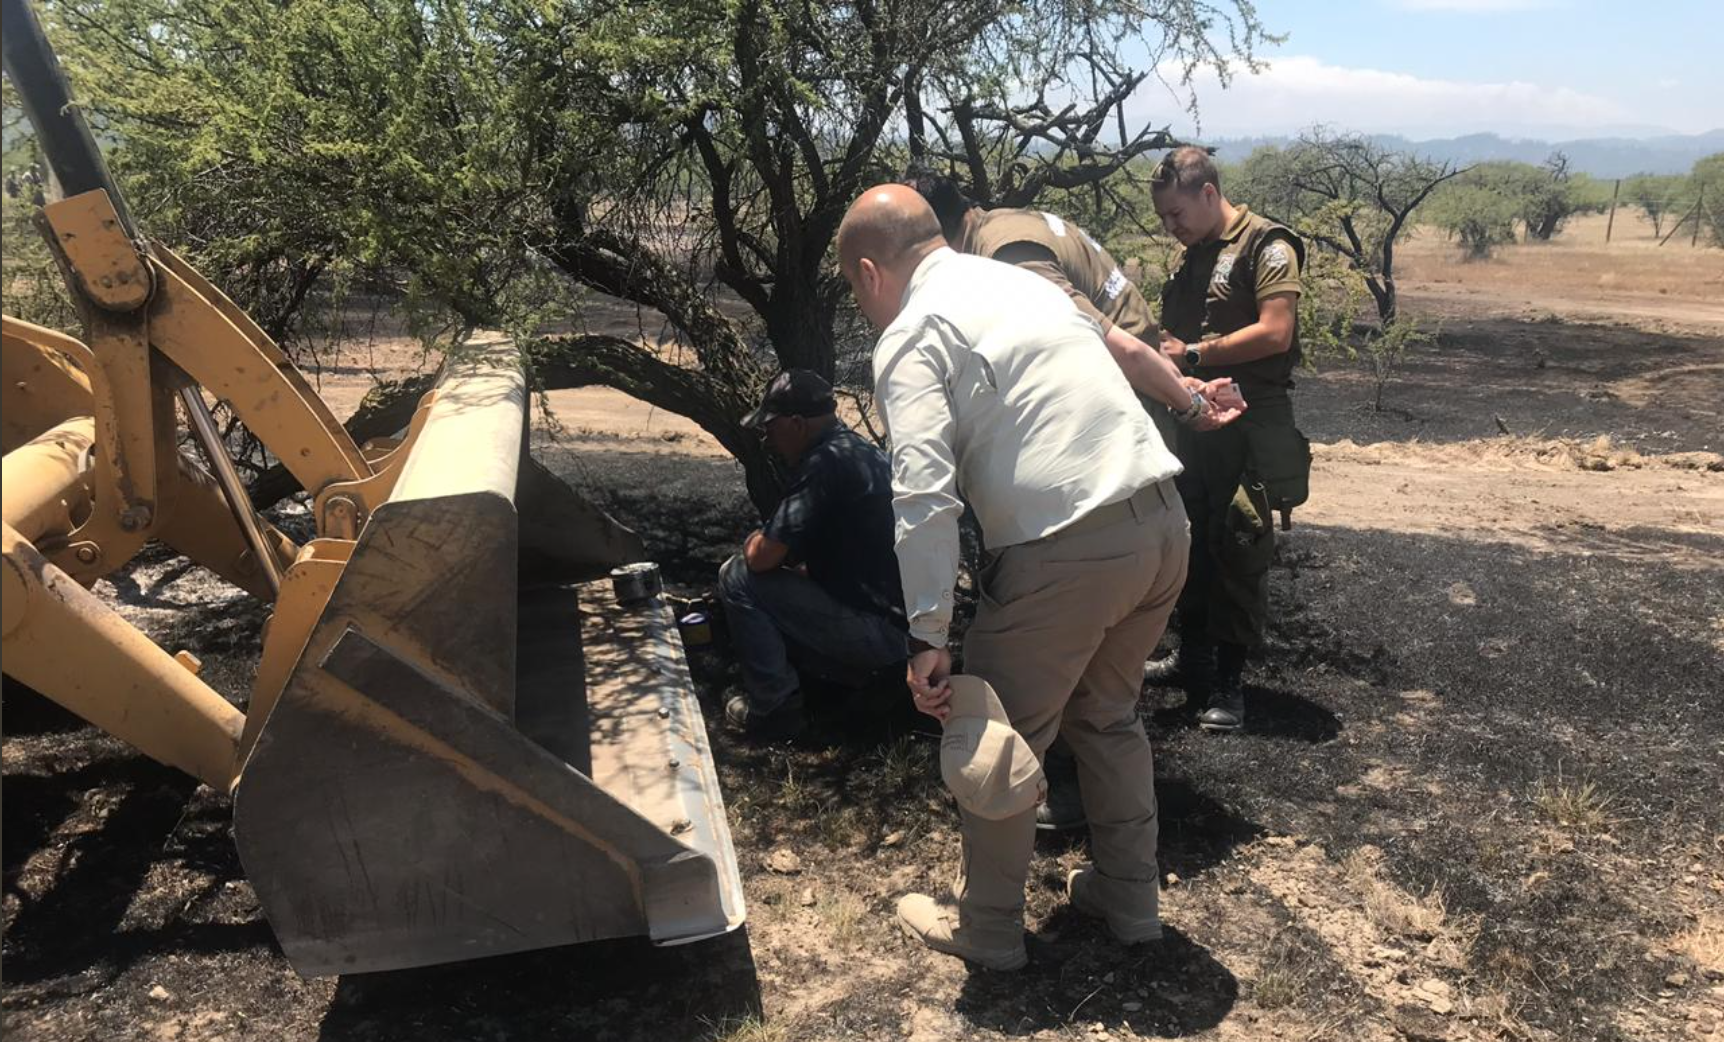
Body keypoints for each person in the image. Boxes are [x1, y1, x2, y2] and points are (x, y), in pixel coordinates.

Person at [836, 184, 1237, 970]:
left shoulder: (913, 333)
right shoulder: (1025, 281)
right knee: (1108, 715)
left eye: (856, 293)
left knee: (997, 740)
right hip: (1160, 526)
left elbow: (922, 494)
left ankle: (986, 929)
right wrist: (1188, 401)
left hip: (1066, 551)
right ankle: (1130, 899)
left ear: (868, 273)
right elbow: (1124, 348)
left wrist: (926, 634)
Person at [907, 172, 1249, 831]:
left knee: (1013, 711)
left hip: (1113, 435)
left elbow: (1110, 342)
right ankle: (1127, 896)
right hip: (1142, 471)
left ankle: (999, 899)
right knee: (1107, 707)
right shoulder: (1013, 222)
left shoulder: (1005, 254)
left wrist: (1190, 399)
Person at [1146, 147, 1312, 733]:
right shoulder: (1192, 255)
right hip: (1194, 417)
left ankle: (1229, 682)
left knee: (1240, 543)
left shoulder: (1267, 245)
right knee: (1187, 537)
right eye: (1164, 217)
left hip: (1250, 419)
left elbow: (1275, 331)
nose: (1172, 226)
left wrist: (1193, 353)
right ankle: (1190, 658)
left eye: (1177, 213)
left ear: (1209, 194)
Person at [717, 369, 908, 741]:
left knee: (737, 576)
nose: (768, 439)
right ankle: (841, 684)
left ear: (797, 423)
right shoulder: (859, 452)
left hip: (879, 634)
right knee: (793, 577)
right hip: (902, 627)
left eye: (771, 428)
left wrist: (757, 536)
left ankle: (775, 710)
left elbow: (760, 558)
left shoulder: (824, 464)